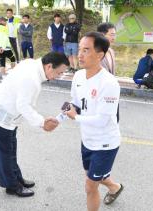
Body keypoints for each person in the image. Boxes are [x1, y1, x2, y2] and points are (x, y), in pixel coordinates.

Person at [0, 52, 69, 197]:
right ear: (49, 66)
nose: (58, 76)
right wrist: (42, 122)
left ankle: (17, 178)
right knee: (5, 154)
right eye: (59, 72)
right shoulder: (32, 78)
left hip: (9, 118)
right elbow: (23, 106)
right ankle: (12, 186)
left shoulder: (31, 64)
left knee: (10, 151)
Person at [57, 32, 123, 211]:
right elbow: (75, 103)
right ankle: (115, 187)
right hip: (87, 140)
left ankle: (111, 187)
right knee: (94, 175)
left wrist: (75, 117)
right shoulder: (78, 76)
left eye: (86, 50)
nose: (79, 54)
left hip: (105, 143)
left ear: (100, 55)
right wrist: (59, 117)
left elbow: (102, 120)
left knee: (90, 186)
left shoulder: (109, 83)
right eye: (80, 49)